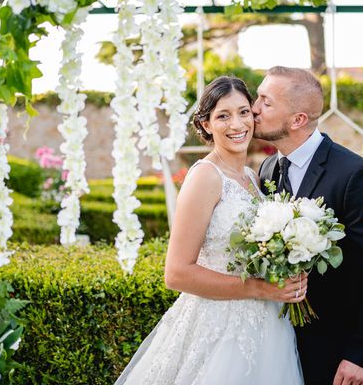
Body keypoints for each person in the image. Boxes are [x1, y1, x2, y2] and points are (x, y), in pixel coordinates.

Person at [115, 76, 305, 384]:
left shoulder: (253, 178)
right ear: (205, 125)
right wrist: (258, 288)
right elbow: (176, 273)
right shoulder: (205, 176)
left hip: (268, 325)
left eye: (244, 112)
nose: (237, 124)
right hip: (221, 327)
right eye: (223, 116)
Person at [253, 66, 363, 385]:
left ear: (298, 120)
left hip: (331, 351)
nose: (254, 108)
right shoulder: (266, 169)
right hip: (273, 345)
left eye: (266, 101)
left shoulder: (356, 175)